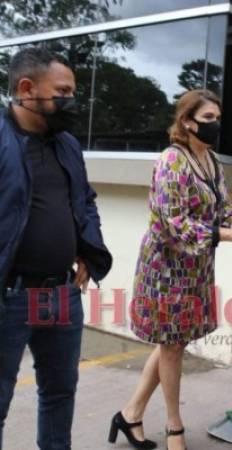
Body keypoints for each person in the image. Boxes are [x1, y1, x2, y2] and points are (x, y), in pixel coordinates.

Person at [109, 89, 232, 450]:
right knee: (173, 347)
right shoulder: (171, 161)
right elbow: (173, 224)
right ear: (187, 121)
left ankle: (130, 413)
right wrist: (229, 235)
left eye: (217, 118)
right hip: (166, 268)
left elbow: (223, 208)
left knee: (172, 344)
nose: (216, 125)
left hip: (194, 268)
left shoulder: (211, 161)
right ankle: (174, 426)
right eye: (208, 118)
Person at [0, 48, 113, 450]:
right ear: (27, 89)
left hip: (62, 294)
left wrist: (88, 246)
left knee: (60, 394)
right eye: (63, 91)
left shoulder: (67, 143)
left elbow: (85, 201)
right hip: (9, 296)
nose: (72, 100)